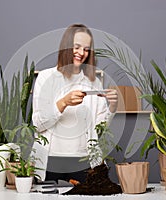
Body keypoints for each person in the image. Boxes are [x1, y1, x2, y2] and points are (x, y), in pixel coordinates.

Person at [32, 24, 118, 183]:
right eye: (76, 47)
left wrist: (112, 108)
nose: (81, 53)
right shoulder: (45, 78)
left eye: (86, 49)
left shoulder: (94, 83)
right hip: (50, 162)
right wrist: (63, 102)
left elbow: (99, 129)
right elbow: (38, 124)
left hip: (84, 162)